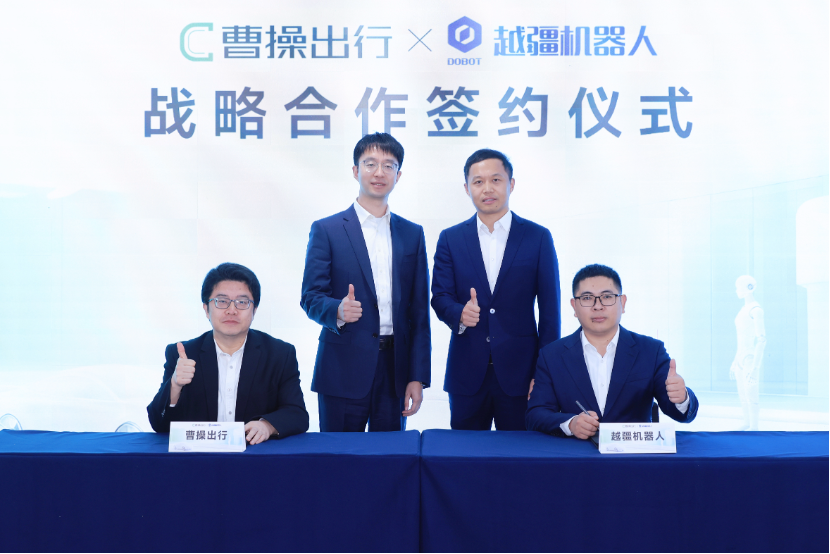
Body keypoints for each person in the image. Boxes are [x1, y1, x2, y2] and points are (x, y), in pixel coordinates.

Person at [300, 132, 431, 432]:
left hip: (395, 371)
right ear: (355, 171)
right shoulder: (327, 229)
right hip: (342, 367)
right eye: (370, 164)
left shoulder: (412, 234)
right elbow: (310, 296)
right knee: (339, 456)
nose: (379, 172)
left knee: (390, 457)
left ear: (398, 175)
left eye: (389, 165)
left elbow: (419, 312)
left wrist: (417, 376)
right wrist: (337, 310)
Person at [431, 149, 561, 431]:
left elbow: (550, 313)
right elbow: (440, 296)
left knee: (520, 453)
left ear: (511, 184)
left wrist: (546, 373)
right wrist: (459, 313)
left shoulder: (537, 237)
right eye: (478, 182)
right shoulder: (451, 238)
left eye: (496, 180)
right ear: (467, 188)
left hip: (522, 374)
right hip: (467, 372)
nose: (487, 189)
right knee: (464, 454)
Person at [526, 264, 698, 439]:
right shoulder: (552, 355)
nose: (598, 306)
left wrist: (682, 398)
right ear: (574, 306)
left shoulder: (651, 351)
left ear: (622, 303)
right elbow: (535, 415)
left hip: (633, 452)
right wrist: (570, 424)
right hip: (576, 452)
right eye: (587, 298)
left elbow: (680, 414)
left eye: (607, 297)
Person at [147, 263, 309, 443]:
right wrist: (175, 385)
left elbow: (297, 414)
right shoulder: (183, 354)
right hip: (200, 456)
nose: (232, 310)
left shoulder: (279, 354)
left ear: (254, 310)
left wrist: (267, 425)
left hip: (255, 454)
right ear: (206, 309)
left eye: (242, 302)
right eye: (222, 301)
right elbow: (158, 424)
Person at [731, 275, 766, 431]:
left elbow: (762, 339)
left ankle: (754, 427)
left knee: (751, 395)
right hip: (740, 356)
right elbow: (740, 338)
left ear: (748, 288)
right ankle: (747, 423)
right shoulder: (743, 310)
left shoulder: (756, 310)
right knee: (743, 394)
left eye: (739, 287)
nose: (737, 290)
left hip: (750, 357)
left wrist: (755, 367)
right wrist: (735, 360)